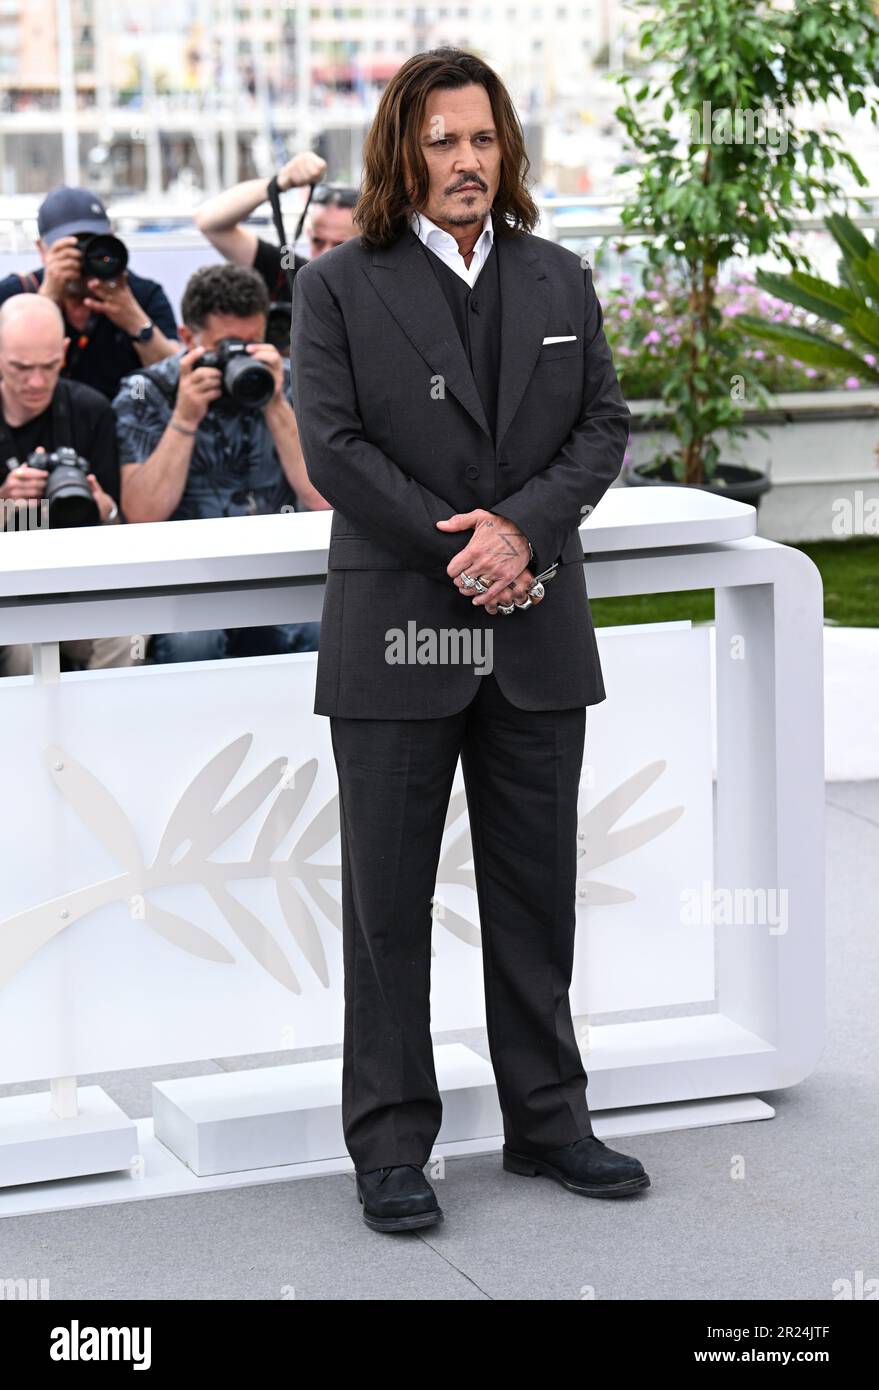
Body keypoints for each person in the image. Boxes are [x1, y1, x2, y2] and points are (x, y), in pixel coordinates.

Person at [291, 46, 649, 1234]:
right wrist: (466, 549)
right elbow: (333, 446)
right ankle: (391, 1146)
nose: (466, 161)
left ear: (508, 150)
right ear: (403, 151)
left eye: (483, 138)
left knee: (538, 895)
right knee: (387, 905)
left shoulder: (560, 277)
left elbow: (602, 427)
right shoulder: (339, 284)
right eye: (443, 140)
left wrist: (523, 535)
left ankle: (551, 1123)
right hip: (402, 632)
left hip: (536, 629)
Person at [113, 263, 329, 664]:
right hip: (187, 580)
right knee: (192, 643)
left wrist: (276, 406)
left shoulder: (292, 381)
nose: (239, 359)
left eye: (250, 344)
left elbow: (323, 499)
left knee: (318, 630)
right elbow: (142, 514)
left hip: (278, 573)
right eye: (225, 346)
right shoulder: (147, 392)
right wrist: (184, 418)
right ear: (185, 338)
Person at [0, 294, 139, 678]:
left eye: (49, 366)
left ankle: (105, 730)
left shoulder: (91, 410)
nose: (36, 382)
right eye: (20, 367)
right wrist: (4, 503)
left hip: (82, 583)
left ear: (64, 351)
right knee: (24, 648)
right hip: (8, 592)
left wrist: (104, 508)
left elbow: (120, 528)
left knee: (128, 636)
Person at [0, 186, 179, 402]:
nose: (83, 257)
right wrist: (46, 301)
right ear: (42, 249)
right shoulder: (15, 295)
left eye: (94, 244)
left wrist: (134, 320)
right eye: (71, 246)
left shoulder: (143, 294)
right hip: (43, 427)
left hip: (123, 425)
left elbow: (175, 379)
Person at [193, 151, 359, 305]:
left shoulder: (378, 292)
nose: (325, 255)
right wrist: (279, 182)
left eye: (339, 246)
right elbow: (208, 222)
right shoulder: (288, 272)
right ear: (308, 234)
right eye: (318, 241)